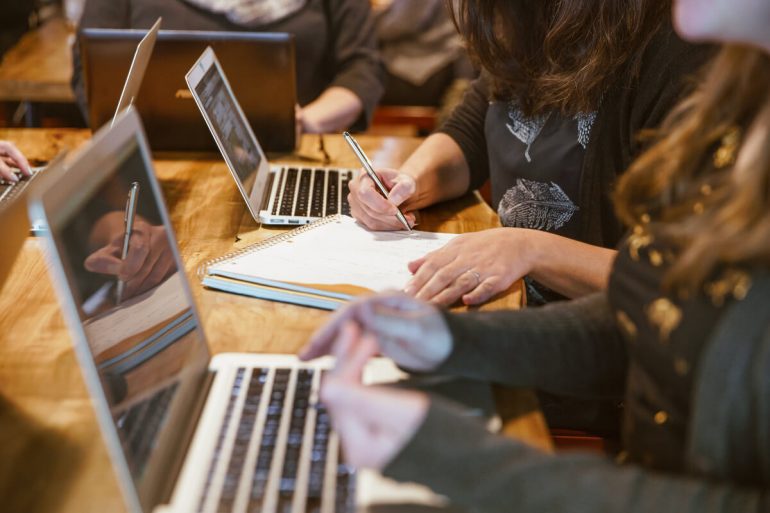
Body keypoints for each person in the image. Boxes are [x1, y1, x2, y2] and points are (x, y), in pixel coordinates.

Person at [300, 0, 770, 508]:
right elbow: (659, 315)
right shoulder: (743, 98)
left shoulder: (685, 67)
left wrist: (460, 457)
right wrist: (447, 340)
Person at [349, 0, 713, 307]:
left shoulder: (676, 52)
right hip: (513, 311)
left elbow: (674, 281)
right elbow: (472, 129)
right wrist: (410, 182)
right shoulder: (530, 15)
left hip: (597, 358)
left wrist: (529, 251)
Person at [71, 0, 384, 134]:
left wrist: (307, 121)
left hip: (292, 156)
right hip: (154, 161)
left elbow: (362, 67)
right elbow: (90, 66)